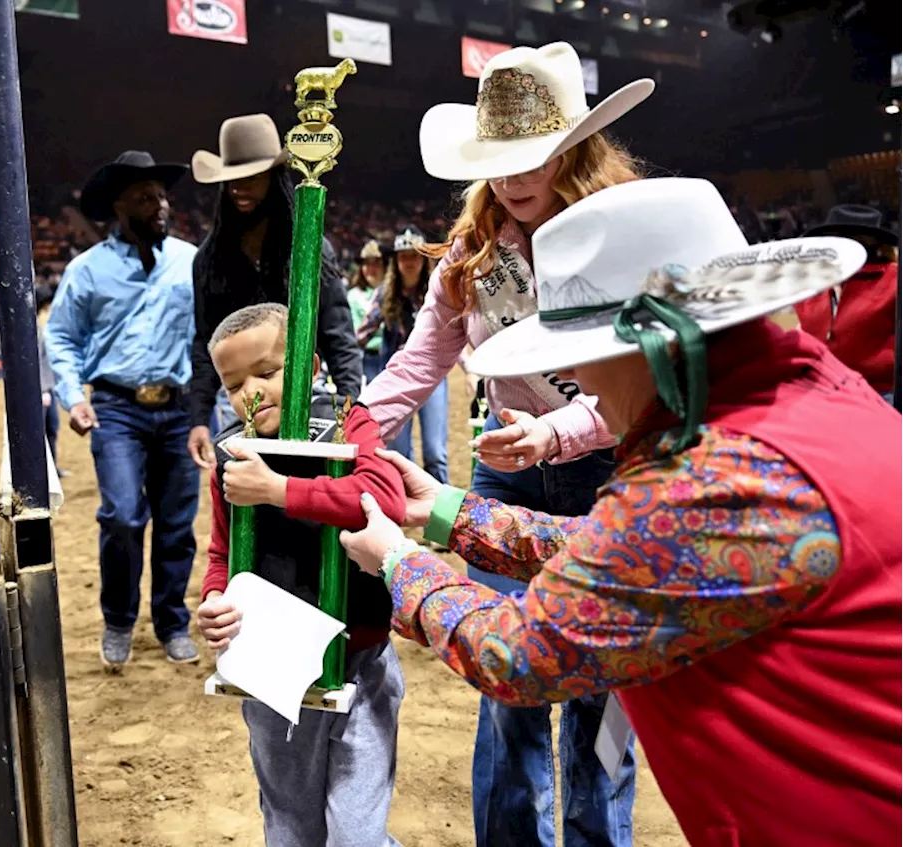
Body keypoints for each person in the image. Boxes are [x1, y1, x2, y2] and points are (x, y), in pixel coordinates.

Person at [341, 176, 903, 846]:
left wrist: (399, 560)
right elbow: (639, 553)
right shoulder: (807, 397)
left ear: (651, 347)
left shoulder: (711, 480)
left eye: (583, 355)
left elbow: (518, 652)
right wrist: (446, 509)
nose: (580, 382)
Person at [358, 42, 653, 847]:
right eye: (498, 159)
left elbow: (647, 378)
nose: (512, 178)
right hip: (506, 477)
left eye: (533, 157)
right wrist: (351, 427)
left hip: (606, 469)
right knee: (510, 679)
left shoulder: (625, 234)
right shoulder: (472, 254)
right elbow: (421, 358)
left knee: (602, 685)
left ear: (575, 149)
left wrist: (555, 429)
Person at [195, 303, 406, 846]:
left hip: (360, 660)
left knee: (357, 835)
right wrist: (216, 599)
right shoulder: (231, 455)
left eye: (267, 373)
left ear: (310, 366)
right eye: (234, 383)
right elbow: (222, 552)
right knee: (290, 825)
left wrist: (279, 491)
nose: (252, 393)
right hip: (271, 666)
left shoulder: (347, 423)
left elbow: (383, 500)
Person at [47, 150, 201, 669]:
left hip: (180, 409)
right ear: (118, 205)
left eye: (160, 195)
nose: (157, 204)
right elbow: (63, 337)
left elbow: (207, 336)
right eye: (143, 196)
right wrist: (72, 395)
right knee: (121, 515)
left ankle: (172, 622)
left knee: (178, 524)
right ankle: (118, 620)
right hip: (117, 407)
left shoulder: (190, 260)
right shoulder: (86, 271)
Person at [186, 113, 362, 466]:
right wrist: (198, 419)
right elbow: (205, 342)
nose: (239, 188)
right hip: (238, 402)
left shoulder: (310, 250)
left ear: (274, 177)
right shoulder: (208, 260)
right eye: (232, 179)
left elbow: (337, 334)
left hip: (307, 393)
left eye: (252, 177)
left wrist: (350, 406)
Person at [357, 226, 449, 483]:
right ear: (396, 261)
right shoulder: (384, 295)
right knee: (398, 451)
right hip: (398, 377)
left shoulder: (436, 292)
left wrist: (469, 369)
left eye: (415, 256)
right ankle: (402, 506)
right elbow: (361, 334)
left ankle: (445, 511)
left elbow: (452, 331)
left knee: (435, 451)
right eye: (403, 256)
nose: (409, 262)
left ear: (423, 260)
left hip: (432, 376)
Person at [794, 203, 898, 405]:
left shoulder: (893, 279)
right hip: (823, 390)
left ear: (872, 243)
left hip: (881, 393)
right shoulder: (812, 284)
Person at [347, 239, 386, 381]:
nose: (370, 268)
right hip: (367, 359)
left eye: (376, 263)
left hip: (394, 356)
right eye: (366, 263)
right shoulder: (354, 297)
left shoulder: (394, 294)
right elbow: (354, 333)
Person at [37, 284, 62, 470]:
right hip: (42, 389)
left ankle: (52, 468)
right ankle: (44, 470)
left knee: (52, 429)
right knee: (42, 432)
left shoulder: (42, 326)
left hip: (49, 386)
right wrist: (44, 389)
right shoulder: (35, 328)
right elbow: (36, 361)